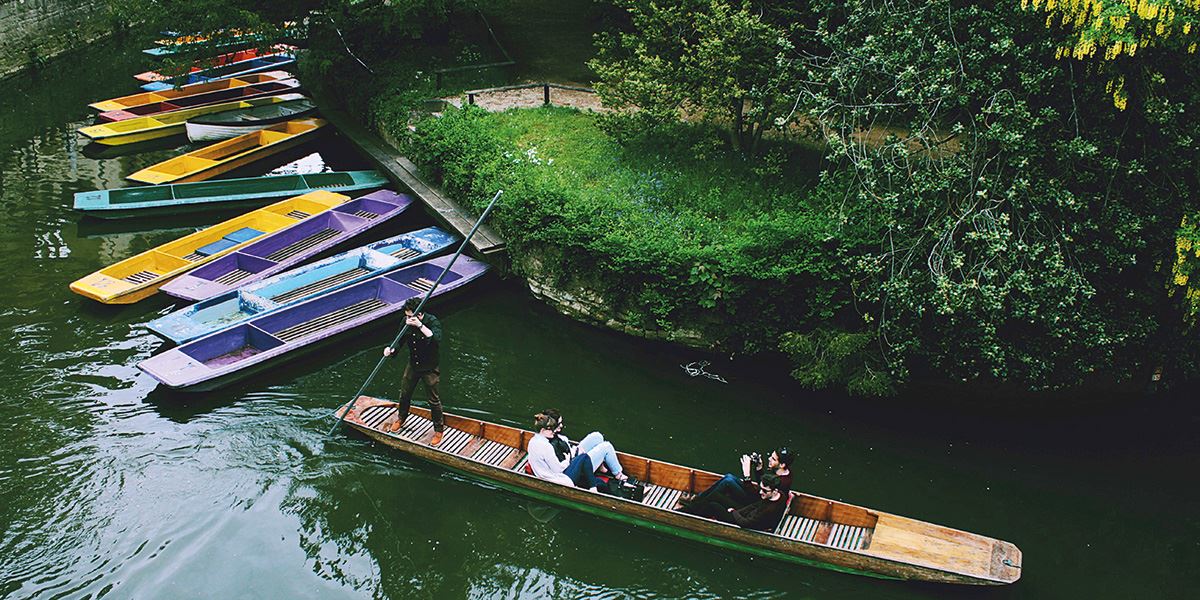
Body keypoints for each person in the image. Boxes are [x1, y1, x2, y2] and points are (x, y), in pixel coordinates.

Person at [382, 297, 445, 445]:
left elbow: (436, 339)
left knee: (433, 399)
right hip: (413, 365)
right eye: (407, 316)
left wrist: (420, 326)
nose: (408, 319)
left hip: (429, 367)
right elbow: (398, 341)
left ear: (420, 314)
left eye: (411, 316)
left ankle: (438, 430)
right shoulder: (406, 321)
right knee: (404, 393)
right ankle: (401, 418)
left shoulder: (432, 321)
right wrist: (391, 350)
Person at [675, 447, 794, 511]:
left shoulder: (782, 482)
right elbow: (763, 483)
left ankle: (694, 505)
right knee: (729, 477)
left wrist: (747, 475)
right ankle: (697, 499)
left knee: (728, 482)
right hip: (757, 497)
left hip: (755, 504)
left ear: (782, 465)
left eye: (773, 459)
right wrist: (759, 468)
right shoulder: (780, 472)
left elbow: (759, 494)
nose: (769, 459)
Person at [542, 408, 628, 482]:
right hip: (575, 468)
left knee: (597, 436)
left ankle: (599, 465)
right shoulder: (549, 446)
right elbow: (561, 466)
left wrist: (575, 451)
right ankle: (618, 474)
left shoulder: (553, 435)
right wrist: (578, 456)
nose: (561, 425)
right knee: (606, 446)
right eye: (559, 423)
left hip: (573, 455)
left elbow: (566, 451)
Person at [526, 411, 604, 492]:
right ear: (542, 430)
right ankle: (593, 489)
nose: (553, 431)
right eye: (551, 430)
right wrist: (567, 461)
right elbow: (558, 469)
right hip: (560, 480)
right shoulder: (546, 446)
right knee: (584, 457)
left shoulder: (532, 441)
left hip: (546, 475)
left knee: (599, 482)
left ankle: (594, 486)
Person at [685, 472, 788, 532]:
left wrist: (734, 512)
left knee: (713, 506)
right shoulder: (780, 495)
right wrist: (739, 510)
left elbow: (745, 523)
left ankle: (688, 514)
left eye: (764, 491)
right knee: (716, 496)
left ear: (774, 491)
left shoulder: (768, 509)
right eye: (761, 489)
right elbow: (754, 505)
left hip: (739, 520)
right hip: (744, 513)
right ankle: (692, 507)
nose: (761, 492)